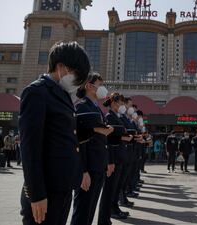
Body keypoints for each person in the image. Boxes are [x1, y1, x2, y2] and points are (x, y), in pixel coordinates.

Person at [19, 41, 90, 225]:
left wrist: (79, 171)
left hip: (63, 186)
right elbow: (30, 147)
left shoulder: (63, 95)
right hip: (45, 190)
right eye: (77, 74)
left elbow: (69, 139)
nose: (78, 82)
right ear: (60, 67)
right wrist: (36, 194)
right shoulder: (37, 92)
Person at [71, 73, 114, 225]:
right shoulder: (82, 106)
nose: (102, 88)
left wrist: (106, 162)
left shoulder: (96, 108)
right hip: (88, 168)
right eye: (100, 84)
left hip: (98, 166)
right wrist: (83, 171)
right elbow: (80, 141)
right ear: (89, 86)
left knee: (89, 210)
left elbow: (102, 140)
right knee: (82, 212)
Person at [98, 93, 132, 223]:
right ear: (113, 103)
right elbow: (109, 139)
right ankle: (104, 218)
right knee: (108, 191)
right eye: (120, 103)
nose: (121, 105)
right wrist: (110, 161)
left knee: (115, 188)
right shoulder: (109, 116)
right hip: (114, 156)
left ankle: (113, 210)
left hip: (120, 156)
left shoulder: (116, 116)